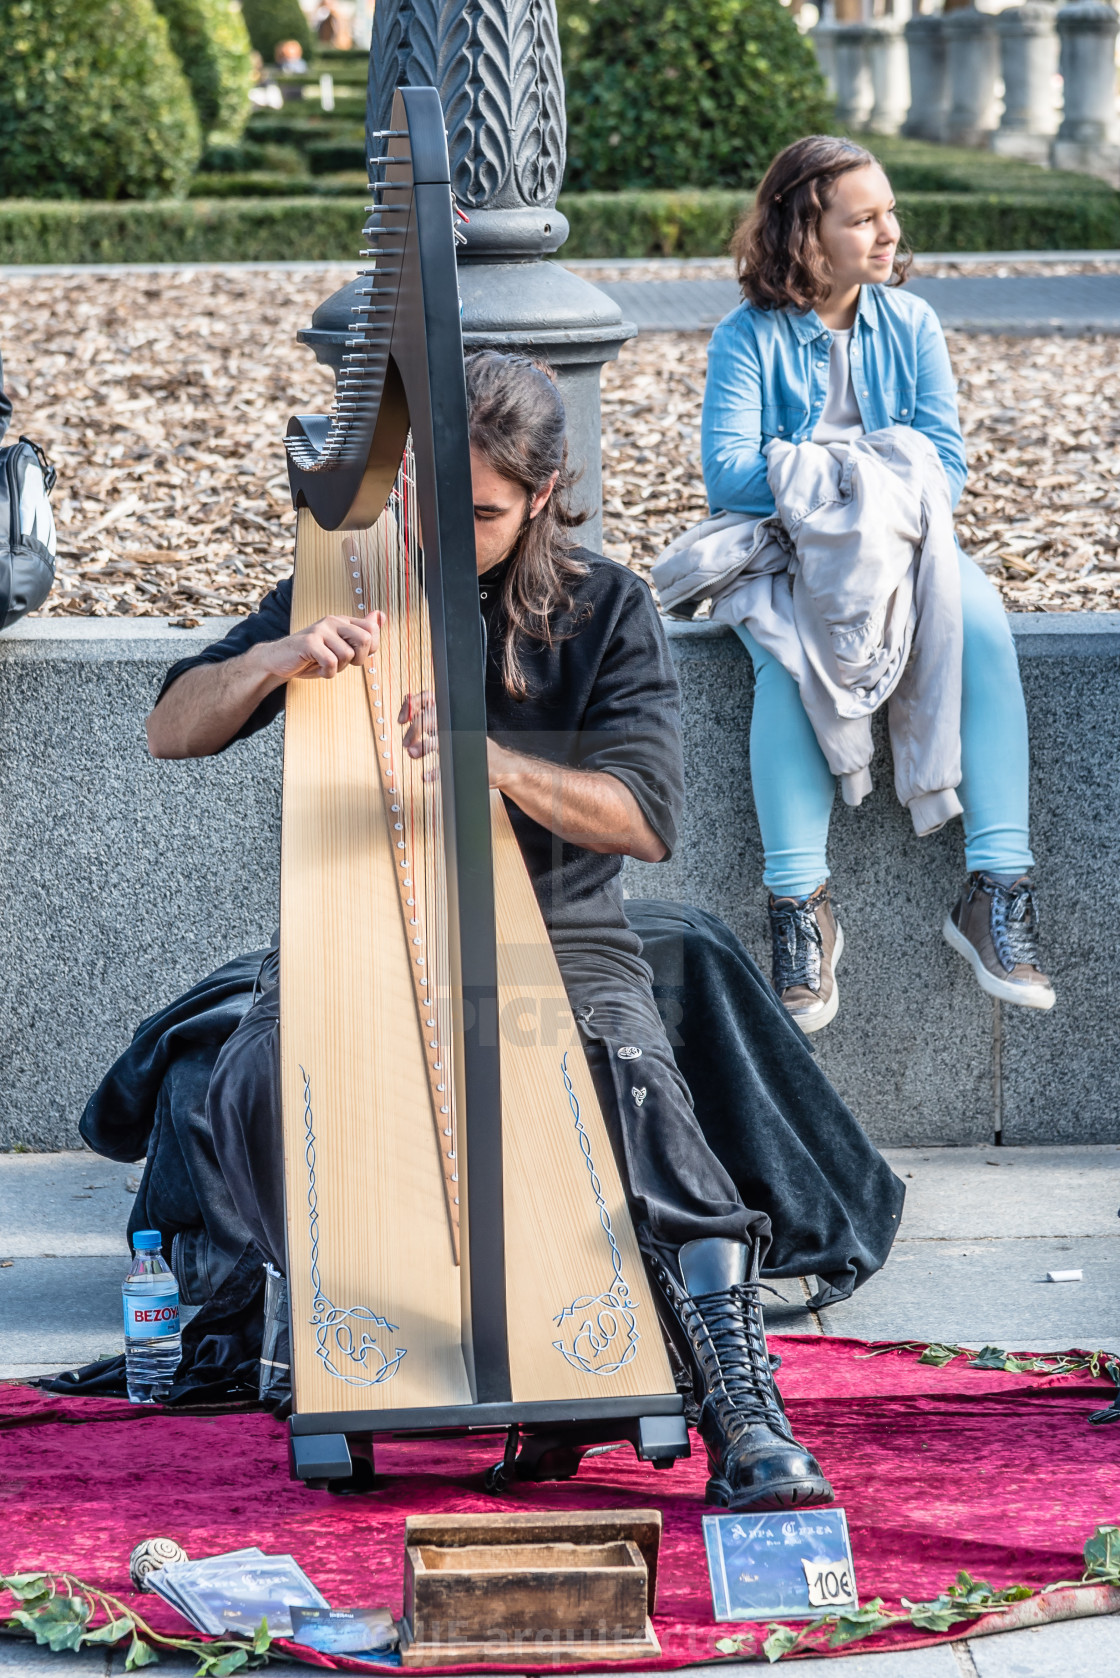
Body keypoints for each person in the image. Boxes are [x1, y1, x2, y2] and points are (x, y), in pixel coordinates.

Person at [123, 352, 906, 1509]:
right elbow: (169, 731)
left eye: (480, 514)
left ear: (543, 495)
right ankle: (357, 1340)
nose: (448, 533)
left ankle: (740, 1402)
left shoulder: (604, 606)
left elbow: (642, 818)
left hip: (557, 923)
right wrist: (275, 659)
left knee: (631, 1077)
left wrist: (491, 766)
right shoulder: (347, 579)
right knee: (249, 1078)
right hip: (362, 920)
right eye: (433, 505)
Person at [694, 136, 1055, 1033]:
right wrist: (869, 474)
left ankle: (995, 892)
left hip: (908, 547)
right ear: (806, 233)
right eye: (865, 218)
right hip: (782, 549)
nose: (890, 232)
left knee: (980, 625)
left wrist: (835, 479)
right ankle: (800, 909)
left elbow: (951, 466)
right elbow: (729, 476)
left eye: (889, 212)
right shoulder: (746, 337)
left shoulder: (914, 323)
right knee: (791, 656)